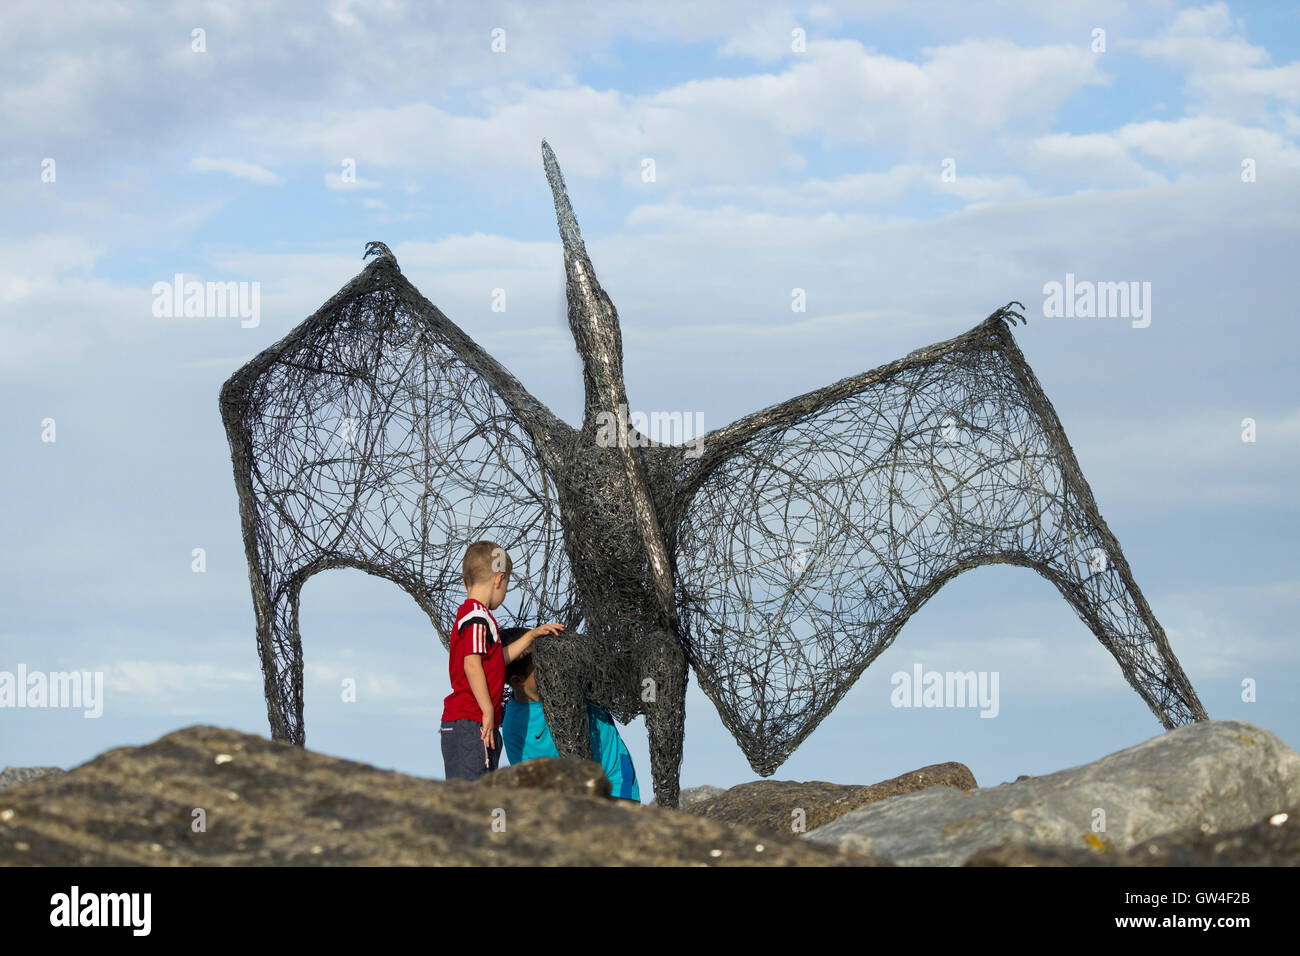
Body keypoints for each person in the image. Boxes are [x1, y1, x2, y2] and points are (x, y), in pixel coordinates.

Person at [440, 541, 563, 782]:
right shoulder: (476, 616)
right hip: (471, 722)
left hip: (471, 723)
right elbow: (472, 664)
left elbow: (495, 660)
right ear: (499, 580)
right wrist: (487, 709)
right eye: (506, 585)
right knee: (474, 797)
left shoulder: (474, 616)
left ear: (466, 582)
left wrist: (529, 637)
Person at [500, 626, 640, 801]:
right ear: (517, 681)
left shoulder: (574, 679)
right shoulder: (515, 727)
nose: (551, 670)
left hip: (616, 781)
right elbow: (530, 783)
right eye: (540, 669)